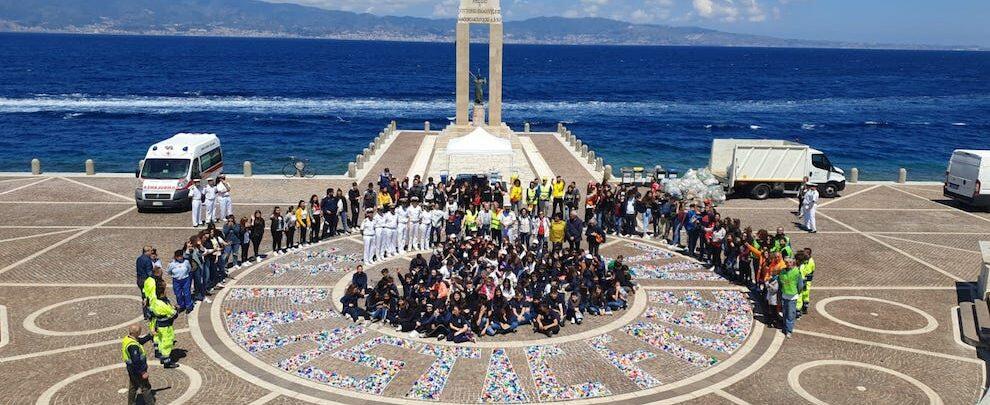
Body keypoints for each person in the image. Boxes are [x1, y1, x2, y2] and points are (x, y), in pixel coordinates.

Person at [122, 324, 155, 405]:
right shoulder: (133, 346)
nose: (140, 333)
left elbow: (141, 341)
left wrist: (150, 335)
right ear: (136, 333)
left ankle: (131, 403)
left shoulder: (128, 339)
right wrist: (143, 372)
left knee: (133, 386)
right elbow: (136, 361)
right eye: (139, 332)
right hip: (137, 370)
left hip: (131, 369)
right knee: (145, 388)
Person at [148, 292, 179, 368]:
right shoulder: (162, 304)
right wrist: (175, 309)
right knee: (167, 343)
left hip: (157, 324)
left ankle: (160, 355)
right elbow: (174, 314)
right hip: (165, 327)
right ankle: (167, 362)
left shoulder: (153, 301)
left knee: (160, 341)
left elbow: (150, 312)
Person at [776, 258, 805, 338]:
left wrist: (797, 293)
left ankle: (789, 330)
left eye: (790, 262)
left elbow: (800, 285)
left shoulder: (796, 272)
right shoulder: (782, 271)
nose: (788, 264)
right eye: (787, 262)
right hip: (785, 295)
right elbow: (780, 282)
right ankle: (785, 328)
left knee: (790, 314)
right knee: (785, 313)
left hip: (792, 297)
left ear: (793, 263)